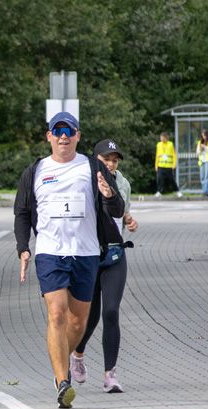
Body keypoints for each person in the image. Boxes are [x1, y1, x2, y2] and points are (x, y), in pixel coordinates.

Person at [14, 112, 124, 409]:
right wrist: (23, 247)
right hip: (50, 252)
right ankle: (63, 381)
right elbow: (22, 212)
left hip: (86, 253)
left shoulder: (93, 167)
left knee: (78, 322)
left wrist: (109, 193)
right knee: (57, 314)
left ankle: (62, 361)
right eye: (57, 130)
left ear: (78, 135)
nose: (63, 136)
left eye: (69, 131)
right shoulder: (35, 171)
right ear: (49, 136)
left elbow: (117, 208)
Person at [70, 139, 138, 394]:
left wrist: (130, 220)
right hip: (87, 256)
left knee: (111, 311)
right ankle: (78, 354)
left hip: (114, 256)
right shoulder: (80, 180)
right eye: (106, 159)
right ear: (95, 159)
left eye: (114, 159)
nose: (111, 163)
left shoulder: (122, 183)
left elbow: (123, 212)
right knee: (89, 316)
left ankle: (110, 374)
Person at [154, 132, 183, 198]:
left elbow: (174, 155)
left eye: (162, 137)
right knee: (159, 179)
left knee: (171, 179)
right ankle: (159, 191)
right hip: (160, 165)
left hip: (169, 166)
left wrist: (174, 164)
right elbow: (157, 155)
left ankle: (177, 191)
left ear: (166, 138)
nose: (161, 139)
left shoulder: (170, 144)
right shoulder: (158, 144)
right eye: (160, 137)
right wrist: (156, 165)